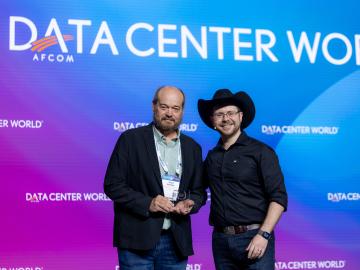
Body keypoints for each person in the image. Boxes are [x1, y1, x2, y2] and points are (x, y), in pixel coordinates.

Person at [104, 85, 206, 270]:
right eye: (164, 106)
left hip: (176, 242)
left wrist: (191, 203)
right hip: (136, 240)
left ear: (182, 111)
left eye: (175, 108)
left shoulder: (193, 148)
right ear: (154, 106)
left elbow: (199, 192)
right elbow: (113, 185)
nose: (169, 113)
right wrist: (148, 203)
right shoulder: (130, 139)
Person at [198, 89, 288, 270]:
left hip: (254, 237)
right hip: (221, 241)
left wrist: (263, 235)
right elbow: (197, 190)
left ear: (240, 117)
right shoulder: (212, 157)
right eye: (220, 114)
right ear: (212, 121)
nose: (225, 119)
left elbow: (278, 198)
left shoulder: (261, 152)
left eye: (230, 113)